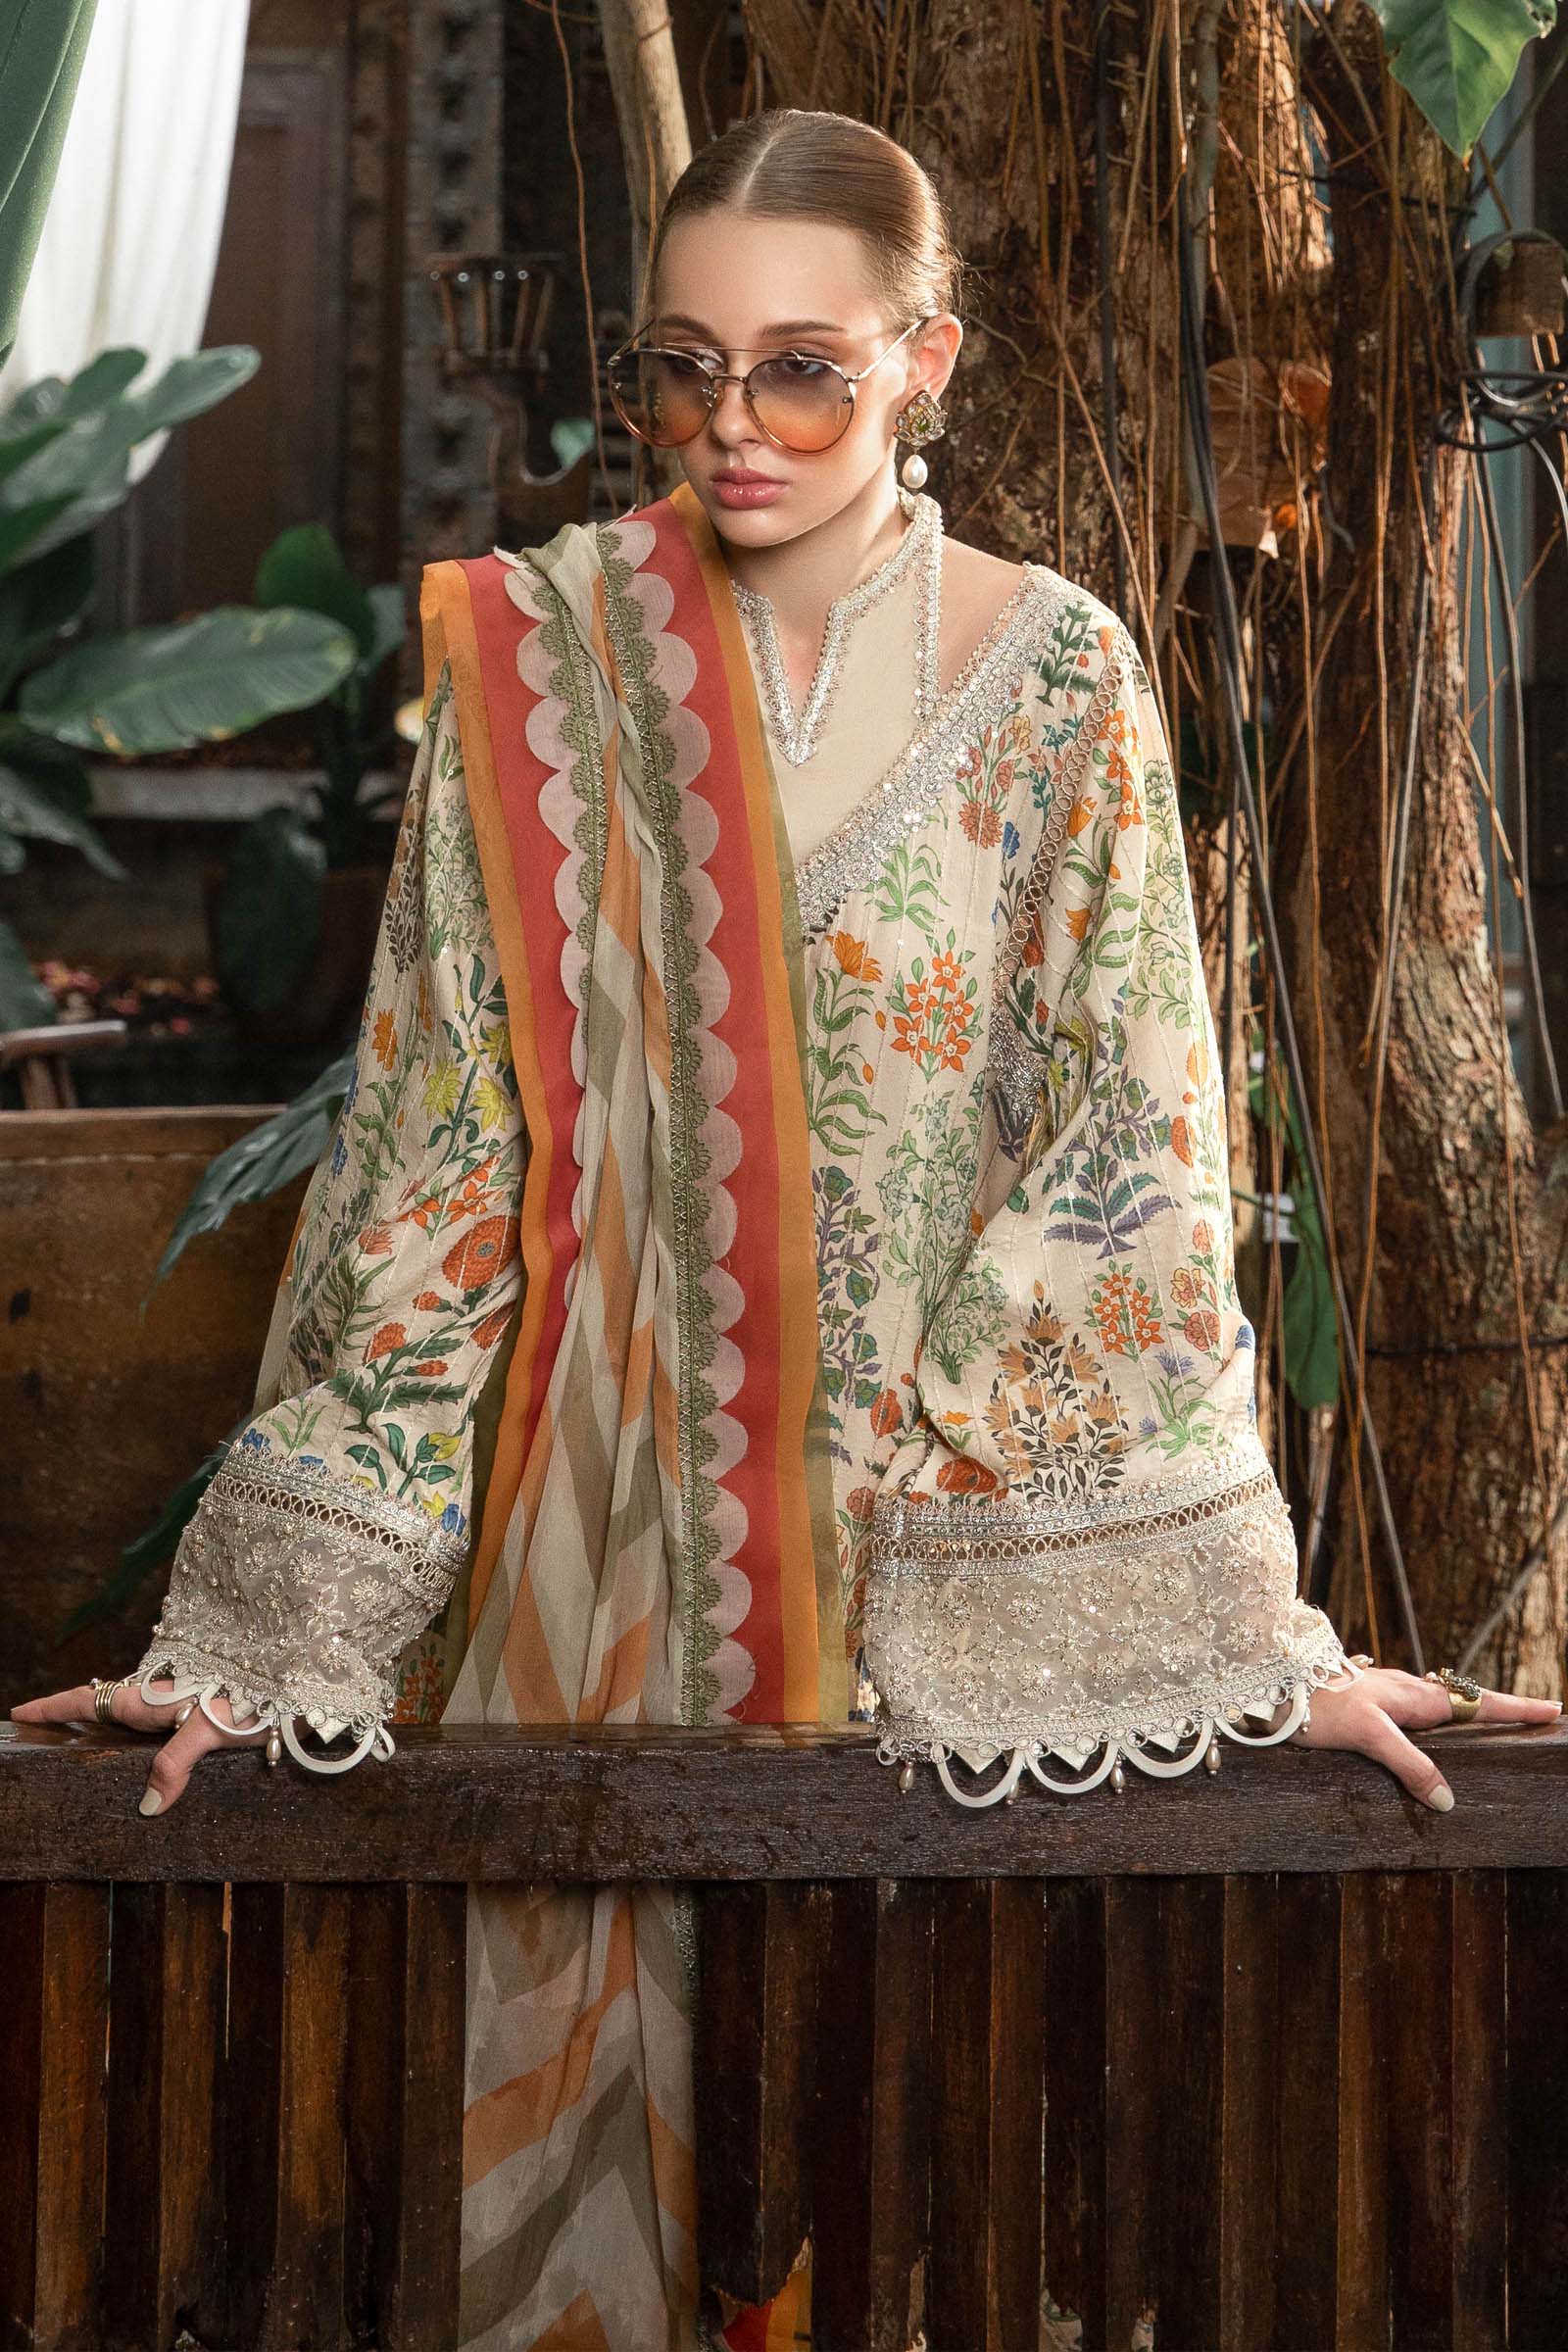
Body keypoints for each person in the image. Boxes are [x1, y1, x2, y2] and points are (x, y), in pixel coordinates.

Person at [14, 105, 1559, 2352]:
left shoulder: (1056, 683)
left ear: (925, 360)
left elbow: (1123, 1161)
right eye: (683, 367)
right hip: (566, 1608)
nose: (731, 425)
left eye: (802, 370)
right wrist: (276, 1640)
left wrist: (1223, 1642)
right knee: (563, 2248)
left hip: (925, 1613)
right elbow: (436, 1172)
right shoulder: (538, 672)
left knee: (903, 2213)